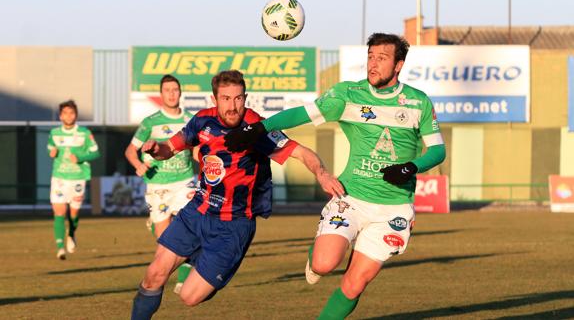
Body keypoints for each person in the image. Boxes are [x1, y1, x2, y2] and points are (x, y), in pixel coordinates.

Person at [223, 33, 446, 319]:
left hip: (394, 209)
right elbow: (303, 113)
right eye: (370, 57)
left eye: (382, 58)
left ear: (398, 65)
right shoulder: (347, 95)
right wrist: (260, 128)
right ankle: (314, 257)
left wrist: (410, 167)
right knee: (325, 263)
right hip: (350, 198)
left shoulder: (418, 102)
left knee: (355, 284)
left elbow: (438, 150)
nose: (373, 64)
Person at [130, 70, 344, 320]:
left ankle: (202, 258)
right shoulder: (202, 121)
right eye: (226, 99)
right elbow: (169, 147)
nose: (233, 106)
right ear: (214, 99)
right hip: (197, 212)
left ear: (245, 97)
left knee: (189, 296)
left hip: (233, 226)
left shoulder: (256, 128)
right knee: (153, 274)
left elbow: (302, 152)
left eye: (238, 98)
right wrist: (157, 149)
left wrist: (322, 173)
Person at [125, 74, 197, 293]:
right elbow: (130, 150)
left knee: (191, 229)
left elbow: (197, 150)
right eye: (167, 90)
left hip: (185, 181)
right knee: (165, 245)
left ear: (180, 92)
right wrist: (137, 164)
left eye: (175, 89)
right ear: (161, 94)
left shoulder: (191, 120)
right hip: (157, 187)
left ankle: (183, 278)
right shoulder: (150, 122)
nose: (172, 94)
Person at [48, 100, 100, 260]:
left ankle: (71, 233)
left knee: (74, 212)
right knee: (59, 211)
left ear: (75, 115)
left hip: (78, 178)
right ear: (60, 115)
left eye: (71, 113)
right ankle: (60, 247)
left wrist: (80, 157)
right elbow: (50, 148)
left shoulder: (84, 133)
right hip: (59, 178)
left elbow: (96, 152)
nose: (68, 116)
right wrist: (52, 152)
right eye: (65, 113)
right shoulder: (54, 133)